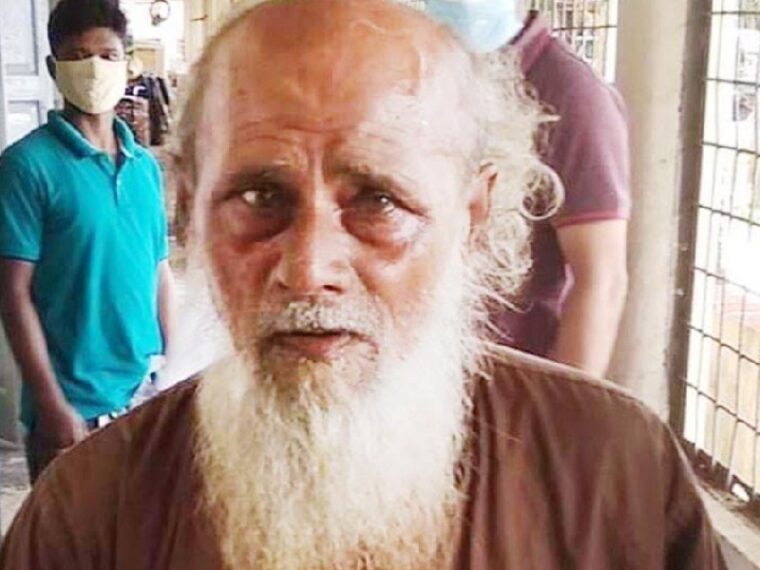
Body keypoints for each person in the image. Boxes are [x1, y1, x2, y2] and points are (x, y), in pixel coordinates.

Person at [0, 0, 724, 568]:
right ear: (190, 208)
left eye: (379, 201)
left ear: (472, 217)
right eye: (259, 197)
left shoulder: (619, 481)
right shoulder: (90, 513)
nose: (309, 268)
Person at [0, 0, 174, 483]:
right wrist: (51, 403)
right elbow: (13, 293)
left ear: (126, 62)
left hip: (143, 393)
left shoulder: (144, 168)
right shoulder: (27, 166)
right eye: (77, 56)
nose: (93, 68)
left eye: (107, 55)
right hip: (73, 407)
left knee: (142, 524)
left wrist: (172, 371)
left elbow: (159, 271)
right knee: (72, 530)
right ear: (53, 68)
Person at [428, 0, 630, 376]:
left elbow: (602, 277)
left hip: (505, 375)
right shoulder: (419, 68)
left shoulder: (569, 92)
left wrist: (561, 400)